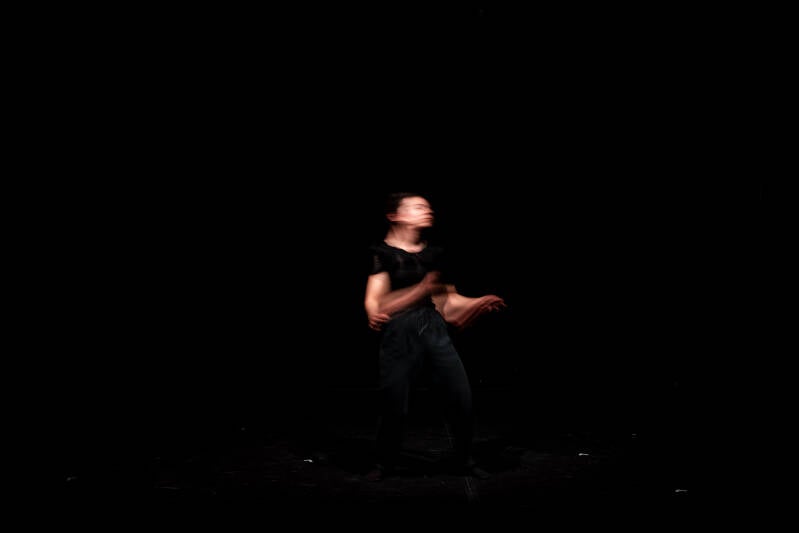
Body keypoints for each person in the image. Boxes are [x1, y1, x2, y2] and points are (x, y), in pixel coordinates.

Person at [363, 192, 506, 481]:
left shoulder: (434, 254)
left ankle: (464, 460)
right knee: (394, 404)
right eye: (418, 207)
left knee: (460, 396)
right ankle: (384, 463)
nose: (427, 211)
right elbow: (374, 300)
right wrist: (374, 312)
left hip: (433, 328)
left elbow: (447, 303)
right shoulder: (383, 253)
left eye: (427, 207)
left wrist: (478, 302)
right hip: (399, 332)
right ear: (395, 215)